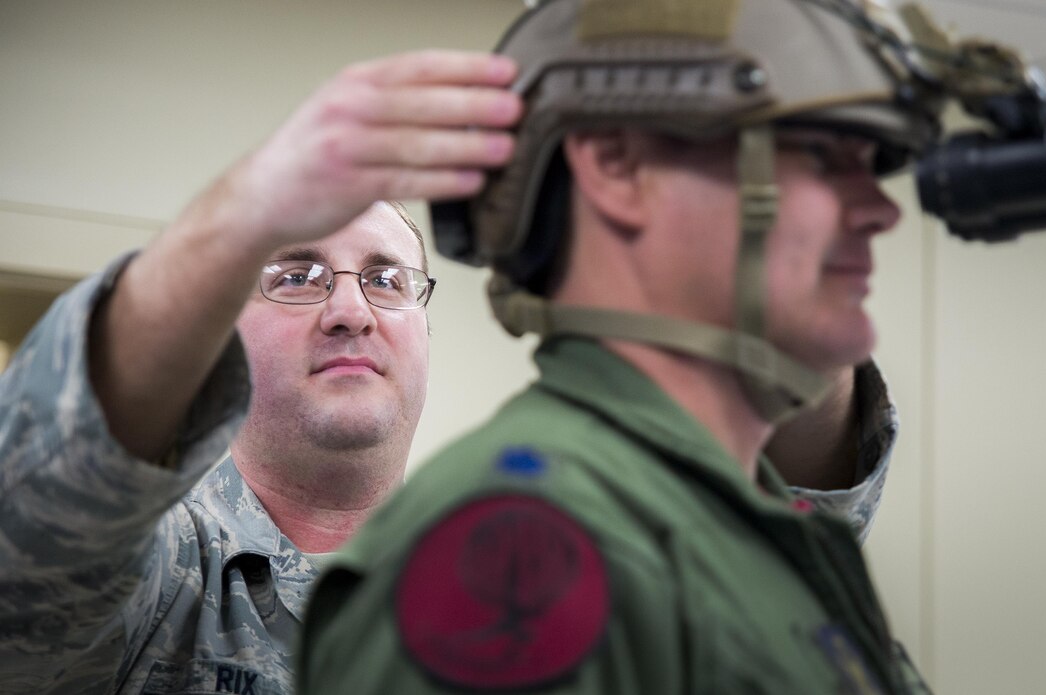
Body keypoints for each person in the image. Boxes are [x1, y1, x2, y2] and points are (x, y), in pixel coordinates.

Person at [1, 26, 892, 695]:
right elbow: (31, 539)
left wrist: (779, 291)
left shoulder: (516, 535)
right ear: (220, 333)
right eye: (298, 274)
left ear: (424, 326)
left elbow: (771, 538)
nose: (351, 309)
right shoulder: (166, 563)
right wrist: (243, 212)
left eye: (388, 279)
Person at [296, 0, 942, 693]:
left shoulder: (759, 533)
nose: (882, 209)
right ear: (616, 164)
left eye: (871, 164)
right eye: (821, 154)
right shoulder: (520, 543)